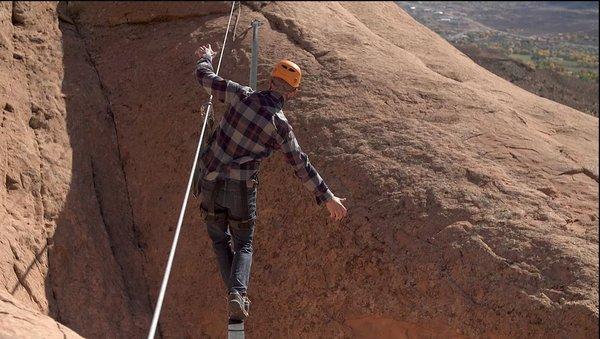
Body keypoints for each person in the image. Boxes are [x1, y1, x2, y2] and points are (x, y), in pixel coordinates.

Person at [193, 44, 348, 321]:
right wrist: (328, 197)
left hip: (210, 181)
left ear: (269, 80)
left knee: (219, 240)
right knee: (243, 245)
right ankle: (237, 295)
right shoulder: (280, 125)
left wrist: (207, 57)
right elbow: (301, 164)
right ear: (293, 93)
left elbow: (204, 76)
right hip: (241, 189)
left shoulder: (240, 95)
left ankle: (236, 296)